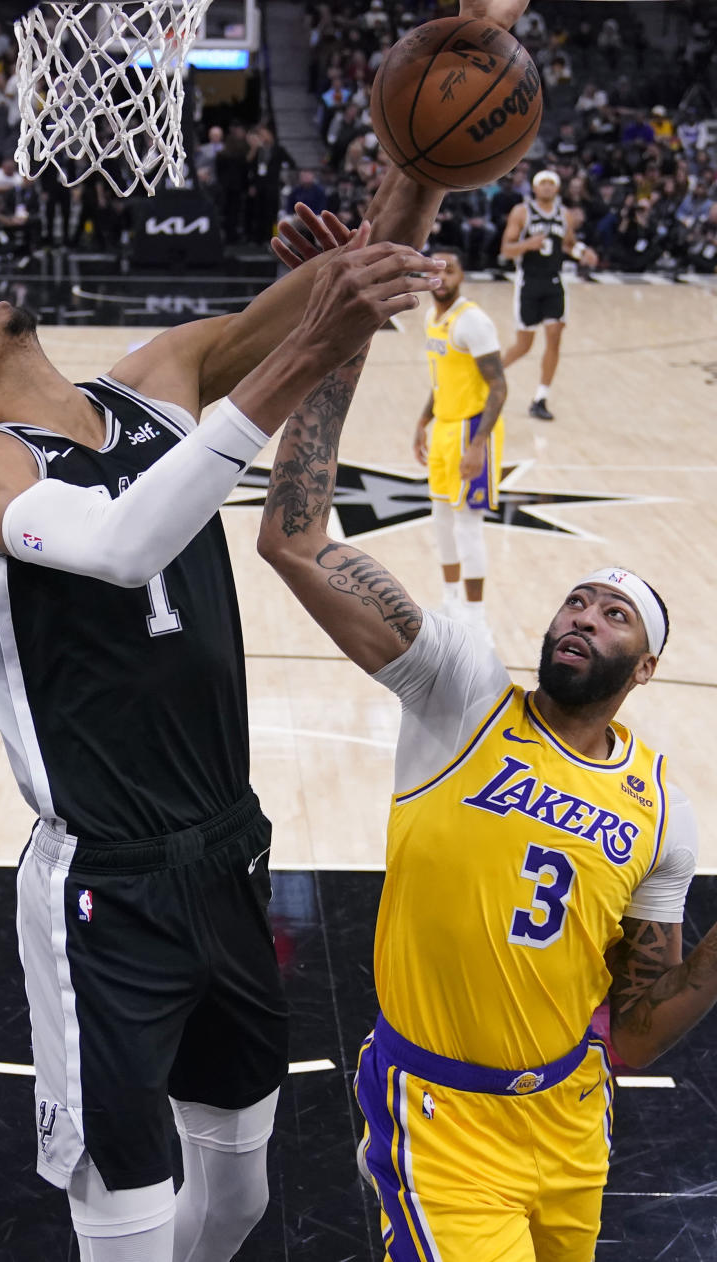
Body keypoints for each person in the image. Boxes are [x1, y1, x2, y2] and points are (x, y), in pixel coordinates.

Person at [0, 177, 446, 1259]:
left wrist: (416, 172)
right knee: (129, 1225)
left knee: (236, 1198)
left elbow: (364, 282)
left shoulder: (160, 377)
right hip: (105, 882)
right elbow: (120, 543)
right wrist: (296, 352)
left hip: (228, 846)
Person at [262, 207, 711, 1262]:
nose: (580, 615)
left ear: (642, 667)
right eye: (575, 599)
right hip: (441, 1116)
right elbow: (293, 537)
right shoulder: (462, 694)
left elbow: (641, 1022)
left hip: (569, 1119)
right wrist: (339, 330)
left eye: (612, 614)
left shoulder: (661, 807)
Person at [413, 245, 506, 640]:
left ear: (461, 276)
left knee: (468, 525)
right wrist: (422, 422)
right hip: (444, 429)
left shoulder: (473, 322)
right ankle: (450, 601)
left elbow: (499, 387)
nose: (441, 277)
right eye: (435, 271)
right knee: (441, 519)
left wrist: (478, 445)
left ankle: (477, 616)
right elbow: (442, 380)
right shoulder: (432, 318)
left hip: (472, 430)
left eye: (449, 270)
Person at [500, 169, 598, 421]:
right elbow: (506, 249)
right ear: (534, 188)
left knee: (554, 336)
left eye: (550, 184)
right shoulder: (522, 212)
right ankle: (487, 376)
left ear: (557, 189)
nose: (546, 187)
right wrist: (527, 245)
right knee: (524, 345)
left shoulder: (564, 215)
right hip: (528, 283)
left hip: (554, 282)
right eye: (542, 183)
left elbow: (568, 244)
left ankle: (540, 398)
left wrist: (582, 252)